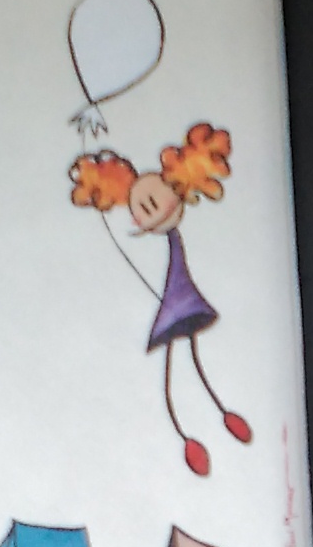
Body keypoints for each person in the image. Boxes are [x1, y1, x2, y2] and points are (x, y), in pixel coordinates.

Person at [69, 122, 254, 477]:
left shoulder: (174, 241)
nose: (142, 216)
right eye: (139, 209)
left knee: (188, 361)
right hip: (177, 303)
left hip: (179, 302)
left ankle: (217, 418)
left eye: (150, 205)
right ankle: (189, 434)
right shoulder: (153, 245)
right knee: (175, 367)